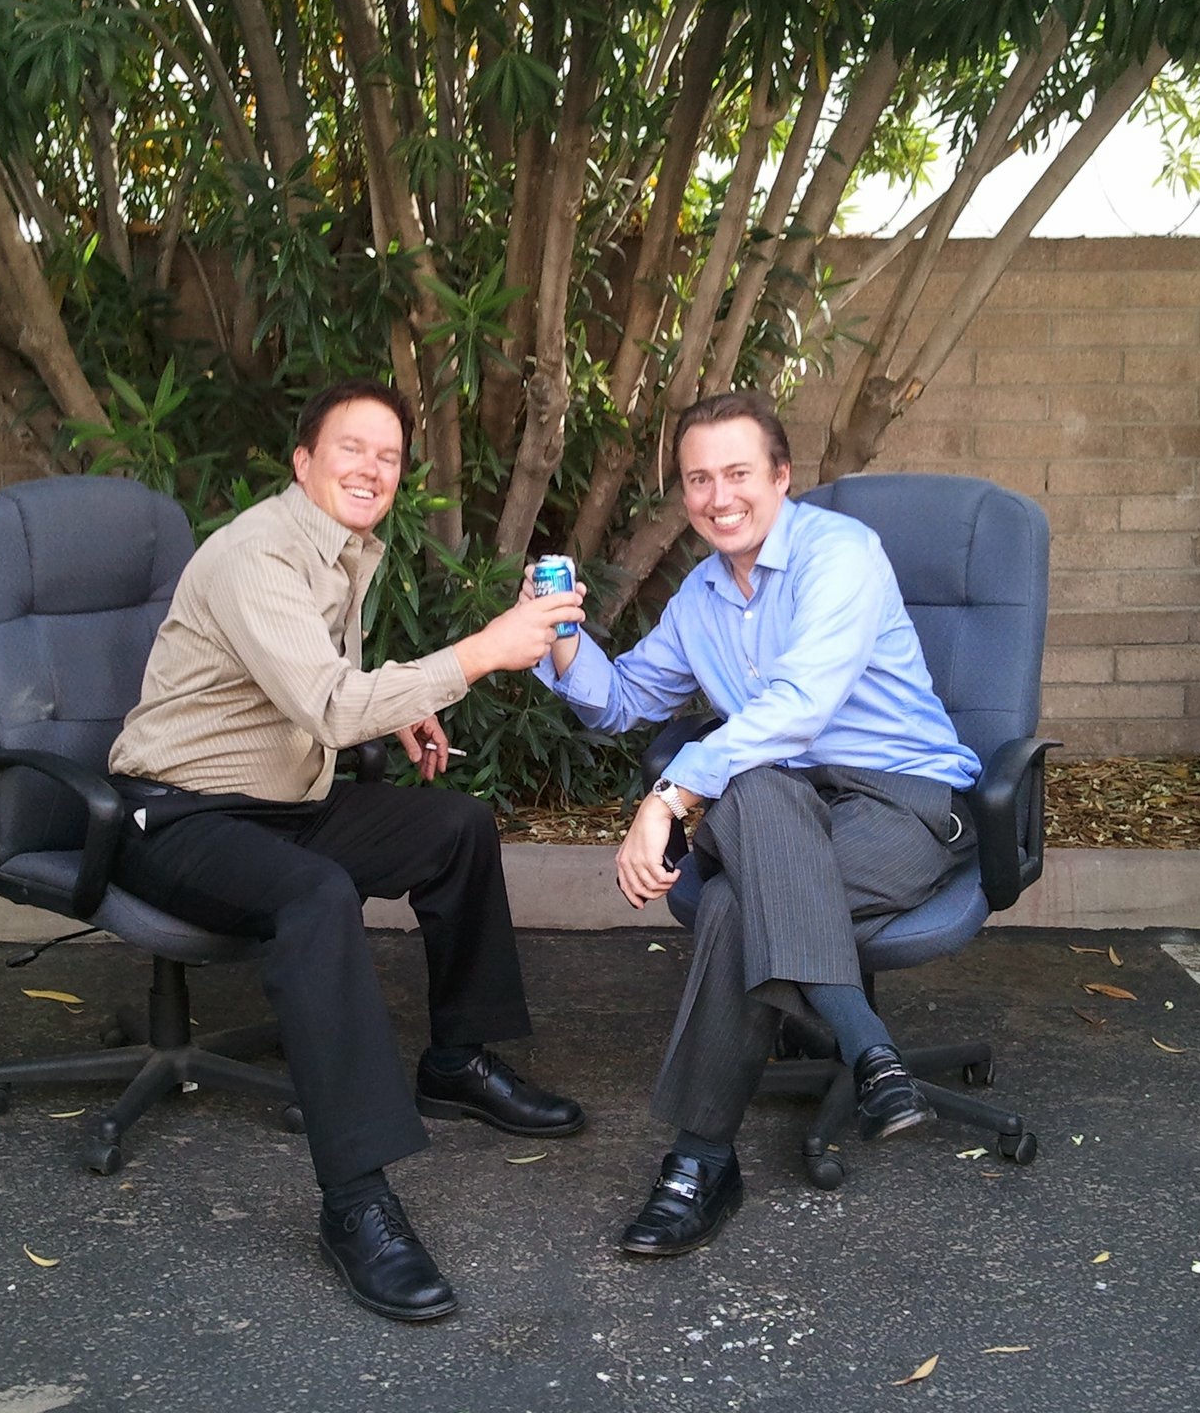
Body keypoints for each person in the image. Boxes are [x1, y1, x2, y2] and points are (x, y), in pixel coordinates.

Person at [106, 377, 587, 1322]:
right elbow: (327, 705)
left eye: (389, 455)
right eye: (350, 449)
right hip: (178, 817)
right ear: (303, 463)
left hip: (282, 800)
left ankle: (456, 1060)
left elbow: (319, 685)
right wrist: (484, 649)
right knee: (316, 896)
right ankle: (356, 1202)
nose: (372, 467)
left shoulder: (341, 547)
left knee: (455, 828)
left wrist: (398, 712)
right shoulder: (257, 555)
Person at [533, 391, 981, 1257]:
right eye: (698, 479)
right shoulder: (701, 597)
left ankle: (699, 1165)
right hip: (783, 805)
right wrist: (559, 636)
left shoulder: (840, 555)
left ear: (781, 478)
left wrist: (667, 800)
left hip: (900, 802)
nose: (717, 496)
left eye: (738, 473)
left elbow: (798, 706)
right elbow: (624, 699)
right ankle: (873, 1055)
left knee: (739, 902)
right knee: (756, 788)